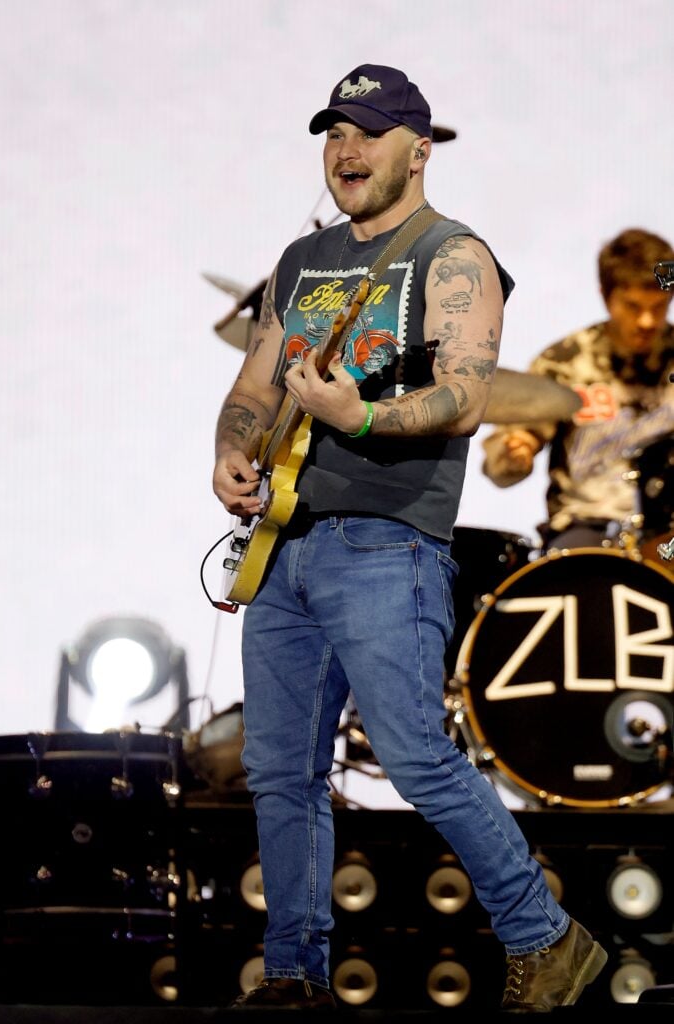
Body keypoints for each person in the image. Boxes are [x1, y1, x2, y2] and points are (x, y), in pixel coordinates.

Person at [212, 63, 607, 1012]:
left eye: (368, 132)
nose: (345, 150)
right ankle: (296, 972)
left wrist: (362, 417)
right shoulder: (302, 263)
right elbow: (253, 384)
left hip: (386, 547)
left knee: (418, 758)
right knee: (282, 774)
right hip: (283, 545)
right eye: (333, 133)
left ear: (417, 149)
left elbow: (467, 396)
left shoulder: (452, 255)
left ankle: (547, 940)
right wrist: (230, 451)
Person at [482, 228, 674, 551]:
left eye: (659, 307)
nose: (646, 321)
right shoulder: (565, 362)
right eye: (633, 306)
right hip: (584, 526)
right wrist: (516, 453)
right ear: (605, 296)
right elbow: (504, 465)